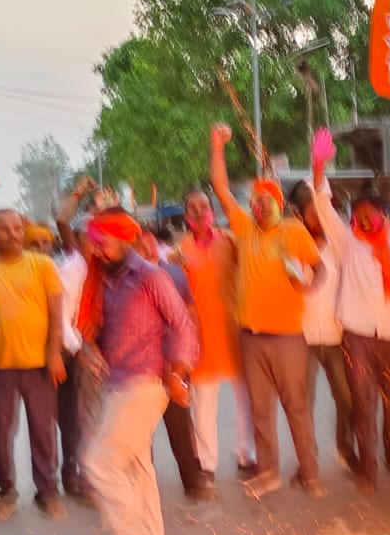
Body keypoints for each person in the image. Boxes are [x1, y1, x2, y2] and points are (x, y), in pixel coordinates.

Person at [75, 209, 197, 535]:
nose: (96, 250)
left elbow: (182, 324)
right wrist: (90, 351)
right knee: (135, 467)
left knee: (99, 462)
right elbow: (94, 329)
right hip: (118, 379)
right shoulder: (104, 280)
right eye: (94, 243)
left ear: (124, 239)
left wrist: (179, 373)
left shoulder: (150, 276)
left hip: (145, 381)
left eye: (103, 242)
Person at [209, 122, 324, 498]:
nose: (258, 206)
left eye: (265, 200)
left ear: (277, 203)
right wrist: (217, 146)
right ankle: (269, 472)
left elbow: (320, 268)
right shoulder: (245, 229)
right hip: (252, 337)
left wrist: (309, 284)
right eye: (255, 201)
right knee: (261, 412)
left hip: (288, 337)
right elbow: (222, 190)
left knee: (297, 409)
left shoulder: (293, 231)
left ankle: (310, 474)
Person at [312, 133, 390, 493]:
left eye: (368, 214)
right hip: (357, 336)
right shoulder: (347, 241)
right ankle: (367, 466)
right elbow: (322, 203)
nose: (362, 219)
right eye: (357, 215)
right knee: (363, 404)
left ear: (382, 214)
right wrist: (318, 166)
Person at [0, 208, 68, 522]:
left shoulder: (43, 265)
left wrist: (54, 354)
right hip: (2, 368)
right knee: (0, 429)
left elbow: (56, 314)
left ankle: (48, 492)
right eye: (5, 229)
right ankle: (7, 492)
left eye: (18, 228)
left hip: (40, 364)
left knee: (43, 430)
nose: (14, 234)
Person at [174, 189, 255, 497]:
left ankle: (247, 454)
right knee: (203, 406)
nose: (198, 211)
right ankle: (206, 465)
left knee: (246, 398)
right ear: (186, 216)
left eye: (203, 206)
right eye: (192, 207)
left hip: (234, 331)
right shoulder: (179, 251)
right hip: (199, 337)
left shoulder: (230, 242)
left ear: (212, 211)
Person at [288, 179, 355, 479]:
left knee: (347, 398)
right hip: (300, 338)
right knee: (302, 404)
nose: (316, 217)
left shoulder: (339, 247)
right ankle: (307, 462)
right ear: (301, 215)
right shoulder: (292, 246)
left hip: (336, 336)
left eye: (320, 212)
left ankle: (345, 447)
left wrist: (318, 172)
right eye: (310, 212)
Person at [137, 229, 206, 501]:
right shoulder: (126, 279)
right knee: (141, 432)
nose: (145, 250)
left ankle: (193, 481)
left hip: (173, 363)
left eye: (148, 245)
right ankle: (144, 487)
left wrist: (189, 357)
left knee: (179, 425)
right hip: (142, 367)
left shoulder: (174, 274)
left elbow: (189, 316)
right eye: (138, 247)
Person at [53, 179, 96, 499]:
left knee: (85, 417)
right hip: (74, 349)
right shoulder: (73, 267)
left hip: (89, 349)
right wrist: (79, 349)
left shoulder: (98, 267)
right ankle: (77, 476)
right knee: (78, 418)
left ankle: (80, 474)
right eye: (91, 237)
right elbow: (61, 316)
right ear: (80, 240)